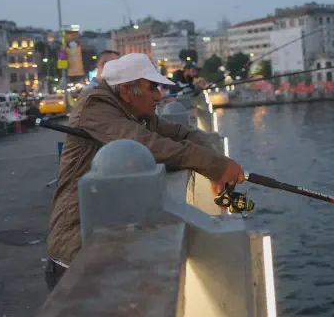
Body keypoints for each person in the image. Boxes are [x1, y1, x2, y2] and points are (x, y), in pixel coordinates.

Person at [45, 53, 245, 290]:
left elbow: (182, 133)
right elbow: (150, 146)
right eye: (151, 88)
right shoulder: (94, 106)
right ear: (127, 91)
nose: (159, 96)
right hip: (76, 251)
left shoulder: (134, 111)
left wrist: (216, 160)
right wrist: (216, 166)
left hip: (115, 236)